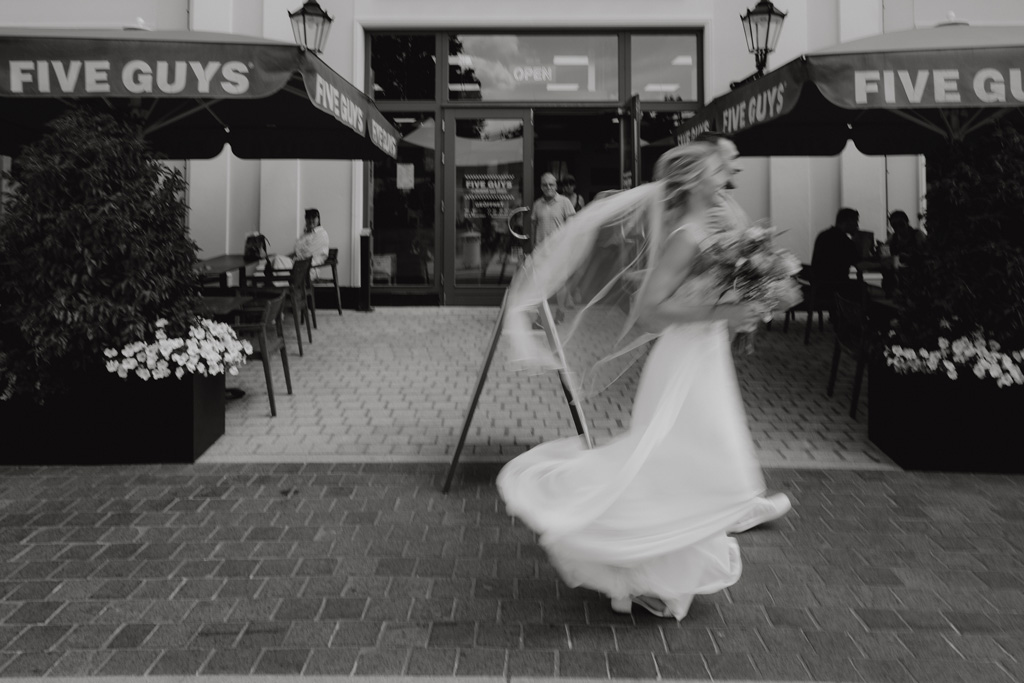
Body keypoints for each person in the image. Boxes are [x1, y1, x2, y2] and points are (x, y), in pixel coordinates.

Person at [498, 143, 794, 621]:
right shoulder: (687, 235)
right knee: (679, 459)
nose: (725, 182)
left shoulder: (709, 231)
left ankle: (651, 572)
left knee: (686, 463)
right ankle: (629, 559)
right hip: (684, 361)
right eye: (717, 174)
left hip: (704, 356)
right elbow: (653, 310)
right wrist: (726, 309)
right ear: (693, 181)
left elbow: (703, 296)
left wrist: (744, 308)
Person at [811, 207, 861, 309]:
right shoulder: (845, 242)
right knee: (865, 291)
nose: (857, 226)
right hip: (837, 287)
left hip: (819, 287)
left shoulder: (823, 235)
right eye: (855, 222)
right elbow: (860, 264)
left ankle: (838, 318)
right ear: (848, 221)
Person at [266, 208, 330, 279]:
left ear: (318, 219)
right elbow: (297, 252)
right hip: (298, 264)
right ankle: (281, 285)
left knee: (278, 261)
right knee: (275, 260)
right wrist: (284, 257)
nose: (310, 220)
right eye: (308, 218)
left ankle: (283, 286)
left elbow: (307, 253)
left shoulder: (321, 234)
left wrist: (294, 257)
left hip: (310, 268)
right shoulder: (305, 235)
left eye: (313, 218)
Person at [532, 172, 576, 246]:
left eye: (551, 184)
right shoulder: (537, 204)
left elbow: (572, 227)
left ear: (556, 186)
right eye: (545, 185)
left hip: (558, 248)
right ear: (541, 187)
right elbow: (533, 227)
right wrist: (533, 247)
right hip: (541, 250)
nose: (548, 187)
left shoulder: (565, 202)